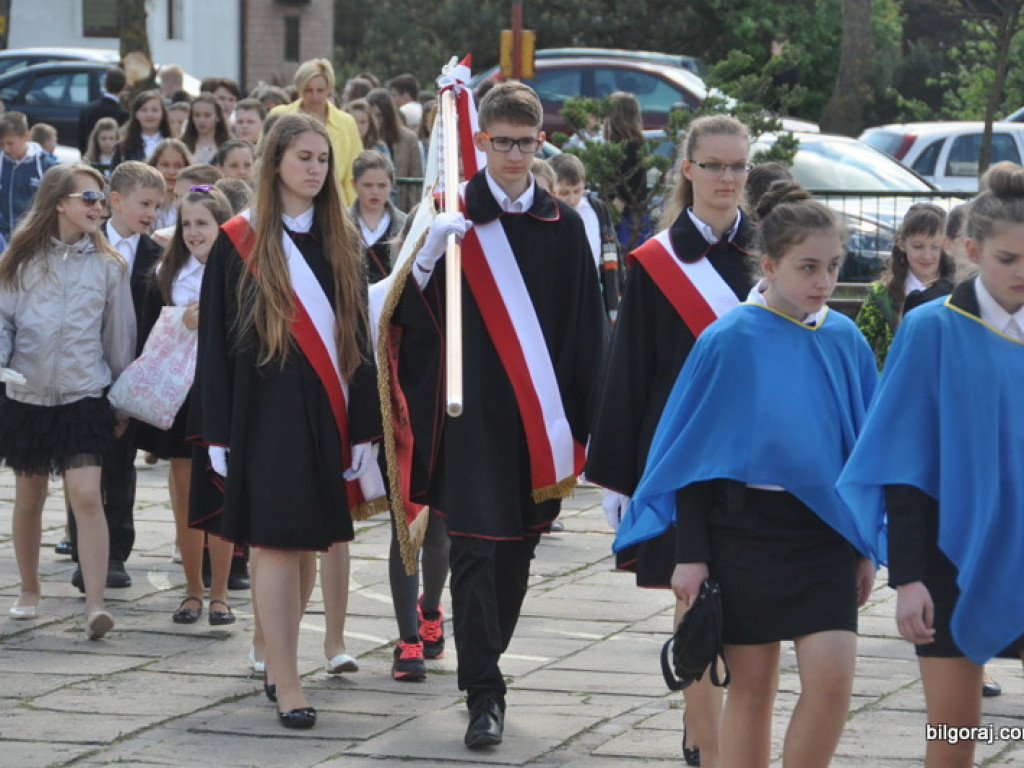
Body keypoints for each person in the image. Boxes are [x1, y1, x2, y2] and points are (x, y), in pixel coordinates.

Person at [618, 182, 879, 768]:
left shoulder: (844, 337)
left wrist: (865, 544)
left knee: (832, 681)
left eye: (833, 267)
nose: (823, 282)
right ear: (768, 264)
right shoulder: (728, 339)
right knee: (753, 689)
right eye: (807, 267)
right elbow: (692, 458)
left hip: (825, 537)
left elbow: (861, 452)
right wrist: (692, 553)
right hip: (743, 535)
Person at [380, 81, 606, 748]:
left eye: (524, 143)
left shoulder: (562, 229)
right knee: (477, 552)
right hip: (469, 418)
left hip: (539, 426)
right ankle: (484, 691)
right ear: (480, 142)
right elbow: (398, 321)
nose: (512, 154)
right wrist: (423, 260)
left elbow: (586, 332)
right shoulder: (450, 218)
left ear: (540, 144)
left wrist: (589, 430)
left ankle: (486, 659)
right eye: (500, 142)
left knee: (517, 556)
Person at [189, 113, 381, 730]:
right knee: (275, 542)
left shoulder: (343, 239)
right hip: (263, 414)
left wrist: (364, 429)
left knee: (308, 544)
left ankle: (279, 661)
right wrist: (217, 431)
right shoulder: (237, 239)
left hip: (326, 413)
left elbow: (360, 339)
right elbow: (213, 345)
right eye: (304, 157)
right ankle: (290, 681)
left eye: (323, 160)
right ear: (275, 162)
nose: (315, 169)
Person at [838, 163, 1024, 768]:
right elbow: (903, 463)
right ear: (969, 250)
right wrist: (909, 577)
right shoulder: (930, 329)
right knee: (953, 737)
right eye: (1007, 259)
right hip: (947, 554)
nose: (1022, 273)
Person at [585, 114, 756, 768]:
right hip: (678, 448)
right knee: (692, 591)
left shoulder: (764, 256)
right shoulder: (656, 263)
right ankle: (702, 730)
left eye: (737, 165)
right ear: (688, 169)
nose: (726, 177)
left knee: (745, 595)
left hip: (750, 450)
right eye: (713, 165)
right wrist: (619, 478)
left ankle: (720, 730)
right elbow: (628, 371)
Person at [0, 163, 136, 638]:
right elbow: (4, 320)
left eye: (101, 199)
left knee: (86, 495)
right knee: (30, 497)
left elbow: (119, 338)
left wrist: (120, 401)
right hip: (27, 395)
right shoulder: (19, 260)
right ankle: (29, 590)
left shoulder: (109, 266)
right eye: (90, 198)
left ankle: (95, 604)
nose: (99, 206)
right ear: (60, 202)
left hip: (84, 394)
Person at [136, 186, 236, 625]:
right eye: (187, 224)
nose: (194, 232)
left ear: (223, 225)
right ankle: (193, 590)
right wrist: (181, 320)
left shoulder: (241, 270)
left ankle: (221, 593)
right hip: (179, 396)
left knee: (224, 492)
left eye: (203, 223)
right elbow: (148, 337)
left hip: (224, 395)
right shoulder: (164, 275)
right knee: (185, 496)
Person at [66, 161, 165, 594]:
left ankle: (115, 554)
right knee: (83, 464)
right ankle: (82, 552)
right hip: (86, 372)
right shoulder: (85, 246)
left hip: (132, 375)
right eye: (145, 203)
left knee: (121, 467)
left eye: (158, 206)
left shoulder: (158, 258)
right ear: (116, 202)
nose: (152, 214)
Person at [855, 203, 955, 369]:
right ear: (901, 244)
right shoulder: (881, 294)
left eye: (935, 246)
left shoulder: (956, 291)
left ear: (946, 246)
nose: (927, 255)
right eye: (917, 246)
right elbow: (859, 348)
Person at [269, 58, 362, 206]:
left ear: (329, 89)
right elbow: (265, 161)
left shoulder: (346, 122)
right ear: (299, 89)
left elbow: (355, 171)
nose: (315, 96)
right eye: (308, 90)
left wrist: (354, 212)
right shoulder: (279, 116)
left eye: (320, 90)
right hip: (286, 203)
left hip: (335, 205)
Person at [548, 152, 622, 323]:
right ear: (552, 189)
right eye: (564, 192)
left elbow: (611, 251)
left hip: (595, 291)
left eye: (577, 191)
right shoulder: (548, 211)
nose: (572, 199)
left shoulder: (596, 208)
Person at [349, 150, 405, 284]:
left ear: (391, 185)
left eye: (382, 185)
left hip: (390, 301)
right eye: (367, 185)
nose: (375, 191)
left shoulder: (404, 224)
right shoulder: (339, 222)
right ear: (354, 184)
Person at [0, 112, 58, 240]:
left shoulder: (45, 165)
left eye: (10, 143)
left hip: (33, 238)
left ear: (26, 136)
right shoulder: (1, 162)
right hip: (3, 238)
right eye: (1, 144)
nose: (5, 149)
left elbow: (54, 203)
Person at [366, 88, 424, 212]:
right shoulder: (364, 139)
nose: (376, 120)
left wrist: (412, 214)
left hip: (400, 206)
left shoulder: (408, 139)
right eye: (372, 115)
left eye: (379, 115)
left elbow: (415, 179)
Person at [604, 91, 649, 250]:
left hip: (624, 218)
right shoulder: (639, 143)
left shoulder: (620, 147)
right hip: (638, 214)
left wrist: (610, 216)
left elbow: (621, 191)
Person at [111, 90, 172, 167]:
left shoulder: (173, 144)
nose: (149, 114)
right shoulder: (123, 148)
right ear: (136, 114)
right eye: (144, 110)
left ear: (163, 114)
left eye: (155, 110)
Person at [78, 66, 129, 154]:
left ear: (104, 84)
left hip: (90, 158)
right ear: (125, 87)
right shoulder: (123, 114)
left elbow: (81, 140)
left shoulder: (88, 109)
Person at [148, 139, 194, 232]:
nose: (171, 172)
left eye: (178, 166)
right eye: (165, 165)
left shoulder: (193, 203)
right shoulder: (144, 200)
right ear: (153, 166)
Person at [181, 93, 231, 165]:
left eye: (207, 115)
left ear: (218, 117)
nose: (201, 120)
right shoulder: (183, 145)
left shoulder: (228, 145)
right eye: (197, 115)